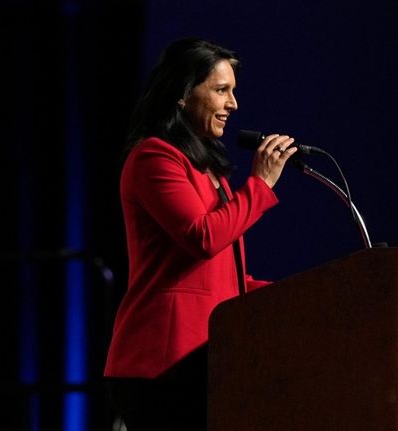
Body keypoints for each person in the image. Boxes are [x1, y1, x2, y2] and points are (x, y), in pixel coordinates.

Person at [103, 38, 297, 430]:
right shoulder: (154, 158)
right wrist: (260, 185)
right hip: (162, 361)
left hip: (208, 358)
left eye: (234, 92)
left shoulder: (209, 170)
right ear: (182, 94)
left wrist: (298, 296)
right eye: (221, 91)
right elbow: (202, 237)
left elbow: (222, 278)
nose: (233, 105)